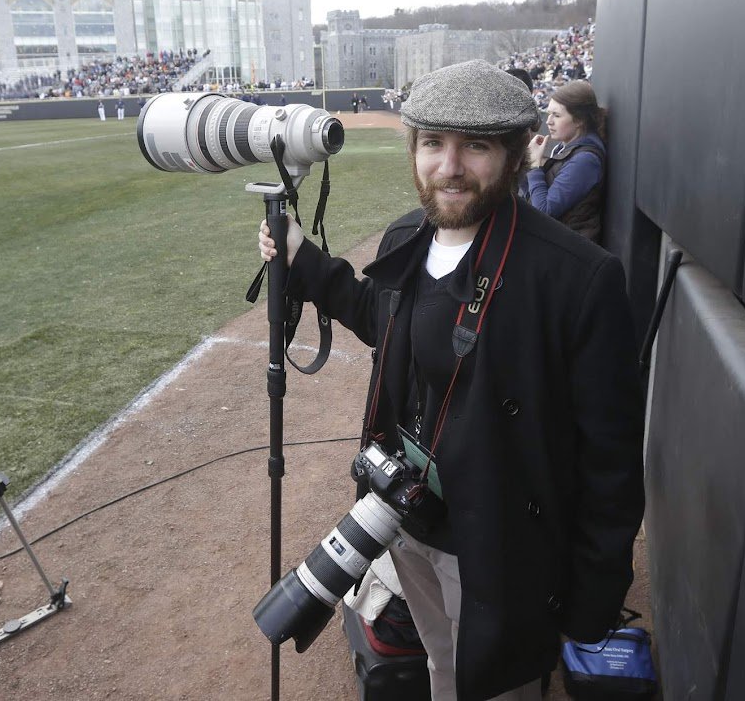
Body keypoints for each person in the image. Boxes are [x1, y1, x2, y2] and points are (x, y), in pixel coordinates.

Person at [258, 60, 644, 701]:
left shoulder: (578, 276)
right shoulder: (409, 234)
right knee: (441, 663)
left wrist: (594, 595)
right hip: (409, 522)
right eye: (434, 143)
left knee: (498, 686)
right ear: (414, 150)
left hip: (501, 544)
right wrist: (303, 260)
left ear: (518, 155)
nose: (450, 166)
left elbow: (611, 459)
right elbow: (384, 321)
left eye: (477, 146)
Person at [523, 80, 607, 242]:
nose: (548, 121)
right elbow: (533, 198)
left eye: (557, 115)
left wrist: (534, 166)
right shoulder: (564, 147)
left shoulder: (585, 161)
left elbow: (543, 211)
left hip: (570, 250)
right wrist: (525, 161)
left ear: (579, 120)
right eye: (549, 114)